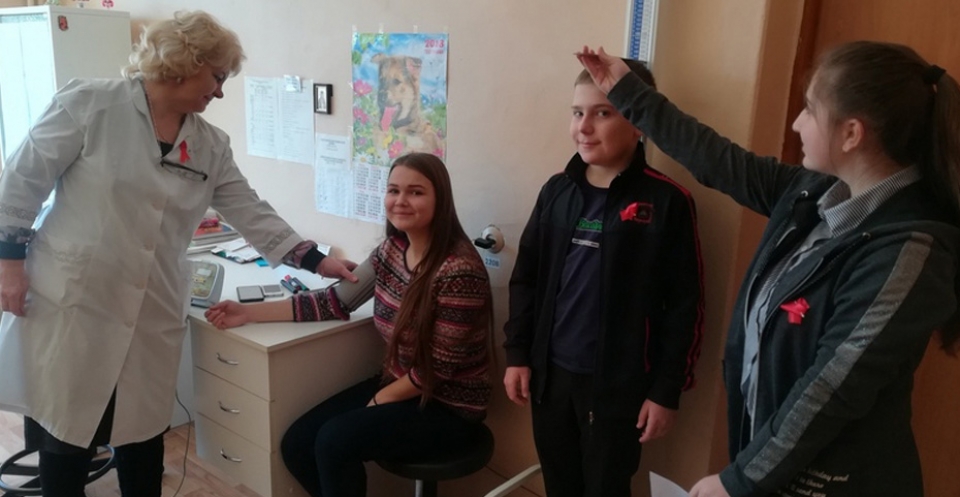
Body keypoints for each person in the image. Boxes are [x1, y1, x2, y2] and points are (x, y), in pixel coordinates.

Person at [577, 41, 960, 497]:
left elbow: (832, 387)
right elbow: (717, 159)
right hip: (777, 466)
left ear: (851, 133)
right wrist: (625, 91)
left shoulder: (908, 250)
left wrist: (739, 480)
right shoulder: (815, 194)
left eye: (810, 110)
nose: (797, 123)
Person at [0, 11, 354, 497]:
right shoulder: (89, 104)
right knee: (67, 433)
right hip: (77, 299)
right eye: (218, 77)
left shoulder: (209, 144)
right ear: (186, 62)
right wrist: (10, 265)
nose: (220, 92)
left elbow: (249, 209)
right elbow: (21, 181)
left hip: (153, 302)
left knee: (142, 431)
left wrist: (315, 260)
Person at [205, 152, 493, 497]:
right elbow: (334, 301)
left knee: (334, 440)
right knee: (298, 443)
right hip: (401, 384)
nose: (400, 201)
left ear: (440, 200)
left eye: (416, 192)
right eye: (393, 190)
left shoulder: (459, 271)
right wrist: (249, 313)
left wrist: (378, 400)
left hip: (448, 406)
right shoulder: (392, 250)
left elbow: (435, 372)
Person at [502, 60, 705, 497]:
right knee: (560, 486)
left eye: (603, 113)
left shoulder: (667, 202)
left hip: (617, 387)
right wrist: (517, 353)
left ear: (638, 123)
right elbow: (526, 279)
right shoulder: (556, 191)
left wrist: (666, 390)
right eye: (578, 112)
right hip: (551, 379)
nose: (584, 127)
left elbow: (685, 306)